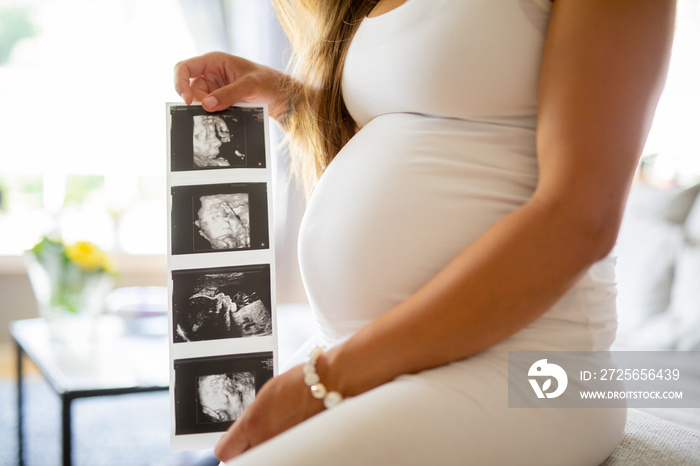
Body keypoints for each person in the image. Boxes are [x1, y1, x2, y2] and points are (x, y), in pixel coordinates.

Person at [174, 0, 676, 464]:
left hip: (527, 368)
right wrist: (286, 100)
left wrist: (321, 382)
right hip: (373, 352)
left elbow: (579, 221)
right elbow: (420, 144)